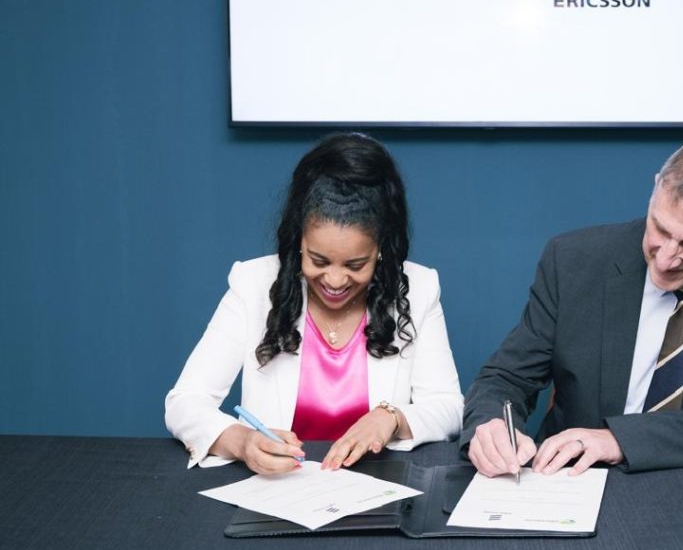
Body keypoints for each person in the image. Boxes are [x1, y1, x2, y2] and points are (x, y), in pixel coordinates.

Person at [462, 135, 683, 476]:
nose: (665, 260)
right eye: (660, 229)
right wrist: (491, 425)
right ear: (655, 190)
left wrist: (620, 439)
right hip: (573, 479)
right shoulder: (573, 260)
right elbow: (506, 377)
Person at [166, 133, 463, 473]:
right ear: (299, 242)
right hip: (278, 489)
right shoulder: (252, 284)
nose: (334, 281)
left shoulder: (418, 289)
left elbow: (449, 407)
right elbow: (184, 403)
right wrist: (242, 442)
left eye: (355, 265)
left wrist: (391, 418)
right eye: (318, 261)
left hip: (378, 490)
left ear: (380, 249)